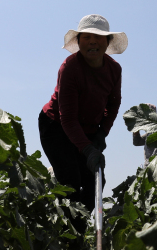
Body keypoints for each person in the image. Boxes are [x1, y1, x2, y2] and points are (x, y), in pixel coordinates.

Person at [39, 14, 127, 233]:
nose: (92, 42)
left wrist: (101, 134)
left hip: (88, 130)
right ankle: (65, 236)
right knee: (70, 182)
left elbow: (113, 104)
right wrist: (87, 150)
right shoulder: (70, 67)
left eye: (98, 38)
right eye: (86, 37)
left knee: (95, 183)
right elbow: (67, 118)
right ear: (78, 42)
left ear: (107, 42)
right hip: (56, 126)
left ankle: (77, 232)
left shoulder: (114, 70)